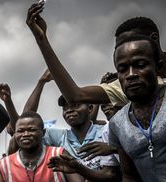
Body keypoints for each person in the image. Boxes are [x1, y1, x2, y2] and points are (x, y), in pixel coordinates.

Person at [26, 3, 166, 107]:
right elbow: (76, 95)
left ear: (153, 39)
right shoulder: (128, 83)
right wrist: (42, 40)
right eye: (120, 47)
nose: (131, 74)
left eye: (133, 43)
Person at [107, 34, 166, 182]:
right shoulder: (118, 124)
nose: (130, 74)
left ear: (158, 67)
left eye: (140, 65)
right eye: (122, 69)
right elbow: (131, 178)